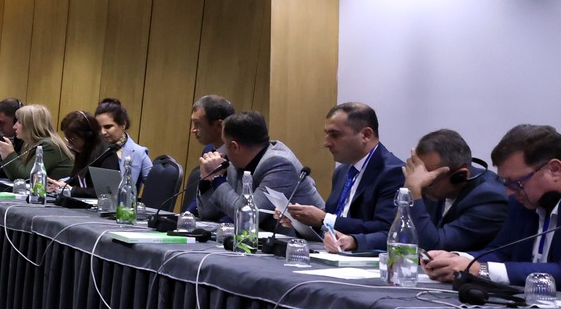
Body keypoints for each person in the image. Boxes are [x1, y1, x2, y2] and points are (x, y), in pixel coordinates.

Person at [424, 124, 561, 288]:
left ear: (554, 170)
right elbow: (501, 252)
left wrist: (482, 270)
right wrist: (455, 259)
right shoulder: (523, 202)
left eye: (515, 182)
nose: (509, 192)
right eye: (505, 183)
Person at [344, 129, 508, 255]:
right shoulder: (433, 189)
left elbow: (433, 246)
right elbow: (401, 232)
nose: (421, 182)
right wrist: (355, 241)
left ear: (460, 176)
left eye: (428, 178)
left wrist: (414, 192)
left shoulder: (490, 199)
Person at [286, 102, 398, 243]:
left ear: (366, 135)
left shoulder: (393, 172)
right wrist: (302, 221)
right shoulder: (342, 171)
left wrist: (324, 218)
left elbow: (388, 231)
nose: (326, 143)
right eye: (327, 134)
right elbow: (332, 225)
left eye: (334, 135)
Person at [197, 110, 323, 223]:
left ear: (235, 146)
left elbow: (247, 217)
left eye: (225, 144)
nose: (221, 151)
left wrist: (217, 178)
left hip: (310, 238)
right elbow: (207, 214)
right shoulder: (237, 162)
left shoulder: (280, 165)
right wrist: (207, 180)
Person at [0, 104, 74, 181]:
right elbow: (14, 176)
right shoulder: (30, 144)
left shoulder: (48, 145)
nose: (14, 126)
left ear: (30, 125)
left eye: (19, 122)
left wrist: (9, 153)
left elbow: (27, 178)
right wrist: (4, 154)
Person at [183, 94, 236, 217]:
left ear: (219, 126)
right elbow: (202, 196)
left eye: (198, 124)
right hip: (207, 219)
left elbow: (238, 205)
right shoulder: (208, 151)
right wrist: (187, 215)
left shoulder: (238, 154)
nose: (193, 130)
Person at [54, 110, 117, 195]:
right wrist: (61, 185)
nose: (70, 144)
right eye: (67, 139)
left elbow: (106, 192)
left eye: (72, 139)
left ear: (88, 135)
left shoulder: (106, 154)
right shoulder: (83, 151)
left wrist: (72, 190)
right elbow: (77, 181)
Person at [93, 98, 151, 187]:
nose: (102, 132)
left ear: (123, 124)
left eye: (108, 127)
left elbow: (156, 186)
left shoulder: (138, 153)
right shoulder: (93, 148)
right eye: (98, 128)